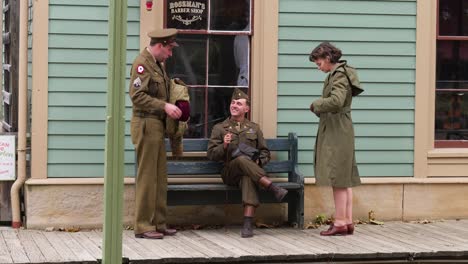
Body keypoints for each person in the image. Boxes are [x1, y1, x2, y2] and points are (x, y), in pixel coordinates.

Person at [207, 89, 288, 238]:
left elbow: (265, 153)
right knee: (241, 160)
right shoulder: (220, 128)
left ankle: (248, 223)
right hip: (229, 172)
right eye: (233, 102)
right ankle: (271, 186)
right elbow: (211, 154)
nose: (234, 105)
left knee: (248, 177)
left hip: (250, 172)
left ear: (246, 109)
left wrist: (258, 160)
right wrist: (223, 146)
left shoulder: (254, 128)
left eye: (239, 103)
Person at [129, 28, 181, 239]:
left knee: (160, 177)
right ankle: (143, 225)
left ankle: (158, 223)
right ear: (159, 46)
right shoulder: (142, 64)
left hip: (157, 126)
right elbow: (136, 96)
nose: (170, 54)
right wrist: (164, 106)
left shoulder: (157, 65)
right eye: (169, 49)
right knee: (148, 176)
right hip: (146, 123)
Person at [308, 42, 364, 236]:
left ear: (328, 58)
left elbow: (337, 101)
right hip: (341, 126)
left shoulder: (338, 74)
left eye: (319, 62)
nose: (318, 66)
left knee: (338, 177)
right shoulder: (342, 72)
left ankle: (340, 222)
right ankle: (347, 221)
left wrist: (316, 104)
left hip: (337, 129)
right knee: (344, 176)